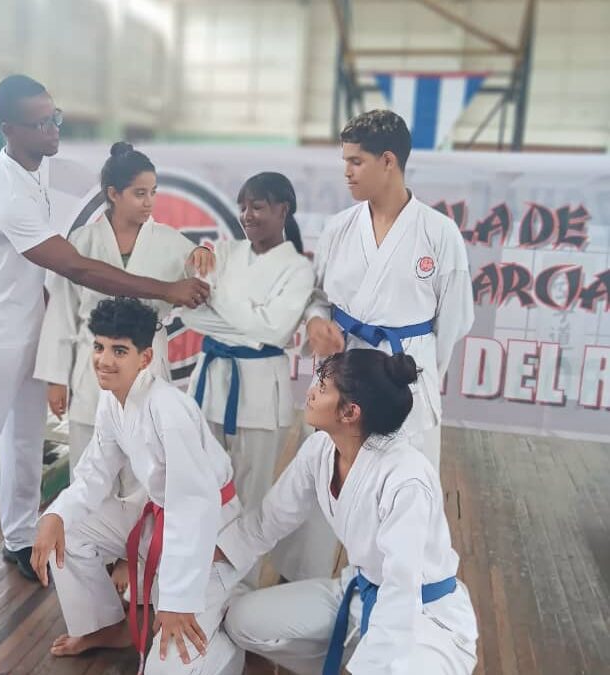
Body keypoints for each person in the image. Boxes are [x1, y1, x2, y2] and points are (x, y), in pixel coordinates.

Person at [0, 74, 209, 599]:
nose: (53, 128)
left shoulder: (42, 167)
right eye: (41, 122)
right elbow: (80, 269)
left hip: (32, 329)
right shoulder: (3, 192)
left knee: (26, 442)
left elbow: (112, 185)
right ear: (9, 129)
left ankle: (21, 536)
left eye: (56, 117)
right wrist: (167, 287)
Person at [275, 109, 475, 583]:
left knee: (405, 485)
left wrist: (418, 370)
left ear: (389, 161)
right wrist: (318, 321)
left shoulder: (438, 233)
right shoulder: (341, 227)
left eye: (356, 161)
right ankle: (299, 580)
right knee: (325, 473)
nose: (346, 171)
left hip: (403, 374)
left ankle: (401, 592)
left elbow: (453, 322)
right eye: (344, 160)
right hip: (341, 373)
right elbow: (319, 296)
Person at [216, 349, 479, 674]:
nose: (311, 391)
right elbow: (269, 521)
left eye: (323, 387)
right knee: (243, 620)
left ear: (350, 412)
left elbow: (401, 589)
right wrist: (211, 556)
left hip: (421, 617)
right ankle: (351, 654)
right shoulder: (320, 449)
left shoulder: (406, 478)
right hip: (357, 590)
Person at [31, 297, 244, 675]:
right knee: (70, 527)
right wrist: (56, 513)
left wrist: (177, 601)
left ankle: (229, 637)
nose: (104, 360)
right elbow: (95, 472)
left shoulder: (169, 410)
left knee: (168, 667)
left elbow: (192, 510)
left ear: (145, 358)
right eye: (98, 347)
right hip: (158, 515)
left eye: (119, 350)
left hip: (211, 537)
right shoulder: (112, 400)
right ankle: (107, 627)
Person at [34, 141, 212, 488]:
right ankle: (85, 542)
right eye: (139, 193)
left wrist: (204, 253)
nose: (149, 202)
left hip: (145, 368)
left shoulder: (170, 241)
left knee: (144, 475)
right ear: (113, 194)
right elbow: (62, 311)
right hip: (93, 368)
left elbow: (202, 278)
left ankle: (139, 543)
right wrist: (55, 379)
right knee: (89, 472)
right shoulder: (83, 240)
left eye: (153, 193)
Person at [179, 172, 313, 583]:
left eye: (257, 206)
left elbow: (273, 330)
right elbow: (188, 312)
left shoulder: (298, 269)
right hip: (211, 381)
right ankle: (195, 583)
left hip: (258, 392)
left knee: (250, 497)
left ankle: (241, 589)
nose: (246, 215)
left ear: (281, 210)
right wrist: (245, 319)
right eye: (242, 207)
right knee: (201, 487)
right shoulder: (222, 251)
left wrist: (219, 301)